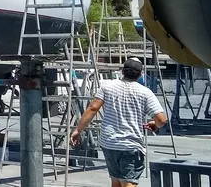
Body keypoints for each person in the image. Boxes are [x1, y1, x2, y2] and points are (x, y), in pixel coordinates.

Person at [70, 58, 167, 187]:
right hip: (130, 145)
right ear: (140, 74)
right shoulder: (145, 93)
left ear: (122, 71)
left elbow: (93, 108)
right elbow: (161, 119)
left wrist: (78, 130)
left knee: (115, 181)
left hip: (109, 143)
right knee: (129, 182)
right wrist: (154, 125)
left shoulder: (107, 87)